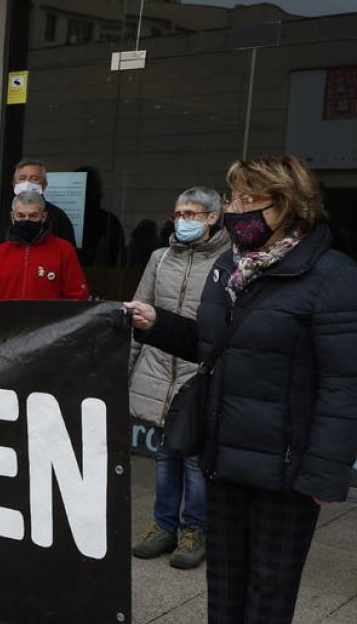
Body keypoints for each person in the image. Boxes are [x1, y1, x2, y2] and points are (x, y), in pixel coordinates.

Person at [124, 155, 357, 624]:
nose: (236, 209)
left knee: (268, 592)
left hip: (284, 471)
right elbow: (216, 348)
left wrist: (324, 474)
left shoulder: (333, 275)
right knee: (225, 587)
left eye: (250, 199)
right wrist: (158, 325)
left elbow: (344, 382)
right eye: (233, 197)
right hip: (222, 457)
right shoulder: (230, 268)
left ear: (290, 205)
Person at [128, 187, 231, 570]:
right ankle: (164, 525)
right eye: (178, 213)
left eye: (192, 213)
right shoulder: (159, 258)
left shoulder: (230, 259)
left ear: (212, 217)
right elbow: (141, 315)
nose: (183, 220)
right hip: (158, 367)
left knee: (192, 457)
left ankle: (195, 529)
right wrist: (127, 367)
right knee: (165, 454)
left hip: (196, 371)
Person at [0, 160, 77, 294]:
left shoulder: (58, 217)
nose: (28, 183)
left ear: (44, 185)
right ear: (14, 183)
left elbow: (71, 271)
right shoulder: (0, 218)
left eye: (35, 179)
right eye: (22, 178)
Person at [0, 190, 87, 301]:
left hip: (49, 318)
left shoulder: (64, 251)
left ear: (44, 217)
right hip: (8, 318)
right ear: (12, 217)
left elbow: (78, 296)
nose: (26, 220)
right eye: (20, 215)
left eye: (33, 216)